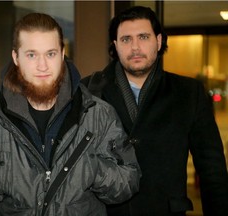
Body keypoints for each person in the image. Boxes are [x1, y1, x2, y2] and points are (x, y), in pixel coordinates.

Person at [0, 13, 141, 216]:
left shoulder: (99, 114)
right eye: (32, 55)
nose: (42, 66)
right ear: (16, 58)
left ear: (62, 53)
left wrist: (92, 170)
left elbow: (129, 178)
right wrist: (5, 178)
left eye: (50, 54)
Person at [82, 6, 228, 216]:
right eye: (126, 39)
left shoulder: (188, 93)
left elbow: (212, 170)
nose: (135, 47)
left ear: (158, 41)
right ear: (115, 45)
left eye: (143, 37)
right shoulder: (88, 91)